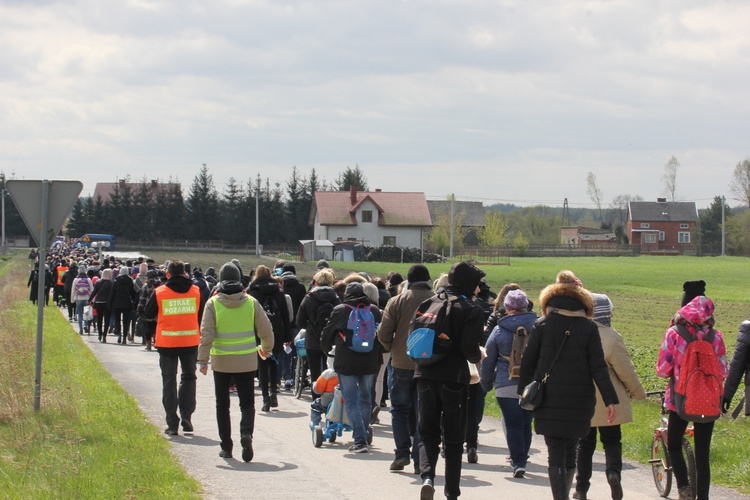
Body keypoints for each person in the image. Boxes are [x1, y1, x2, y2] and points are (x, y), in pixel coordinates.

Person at [518, 270, 618, 500]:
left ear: (549, 301)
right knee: (571, 451)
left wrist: (522, 392)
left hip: (548, 398)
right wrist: (611, 400)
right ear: (583, 302)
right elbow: (598, 368)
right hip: (580, 400)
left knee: (555, 454)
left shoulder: (542, 325)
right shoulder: (589, 328)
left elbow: (528, 363)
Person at [416, 262, 484, 500]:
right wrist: (480, 357)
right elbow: (468, 349)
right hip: (453, 379)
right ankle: (452, 492)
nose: (478, 289)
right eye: (476, 284)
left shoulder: (429, 303)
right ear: (467, 282)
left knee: (427, 433)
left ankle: (427, 478)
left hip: (424, 374)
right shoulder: (469, 309)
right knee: (454, 440)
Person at [198, 262, 274, 461]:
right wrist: (266, 349)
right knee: (247, 403)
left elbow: (206, 334)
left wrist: (202, 360)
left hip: (221, 361)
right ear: (240, 278)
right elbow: (266, 329)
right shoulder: (250, 302)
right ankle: (246, 433)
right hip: (247, 361)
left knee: (222, 405)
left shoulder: (213, 303)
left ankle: (226, 446)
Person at [574, 294, 646, 500]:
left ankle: (581, 489)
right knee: (612, 441)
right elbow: (626, 370)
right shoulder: (611, 337)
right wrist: (638, 393)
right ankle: (613, 473)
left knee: (585, 444)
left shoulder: (578, 334)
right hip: (609, 400)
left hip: (584, 399)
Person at [656, 295, 727, 500]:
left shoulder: (674, 334)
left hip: (679, 399)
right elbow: (722, 370)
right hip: (708, 401)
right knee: (703, 454)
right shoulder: (716, 337)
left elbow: (662, 369)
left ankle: (684, 489)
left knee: (675, 444)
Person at [377, 264, 434, 473]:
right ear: (428, 280)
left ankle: (401, 452)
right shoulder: (436, 301)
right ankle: (420, 459)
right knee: (422, 413)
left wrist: (391, 348)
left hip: (400, 362)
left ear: (408, 281)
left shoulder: (397, 301)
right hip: (428, 365)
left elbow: (383, 333)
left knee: (399, 409)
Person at [480, 289, 538, 478]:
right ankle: (523, 457)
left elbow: (487, 360)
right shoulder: (538, 326)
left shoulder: (499, 329)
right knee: (525, 423)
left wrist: (486, 383)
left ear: (507, 307)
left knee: (513, 423)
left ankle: (518, 461)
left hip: (506, 383)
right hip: (531, 384)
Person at [143, 259, 206, 435]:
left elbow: (147, 314)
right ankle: (186, 416)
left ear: (167, 274)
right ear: (185, 273)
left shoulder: (160, 292)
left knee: (169, 381)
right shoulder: (196, 291)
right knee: (188, 378)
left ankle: (172, 422)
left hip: (167, 343)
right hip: (190, 342)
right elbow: (202, 315)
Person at [320, 282, 382, 454]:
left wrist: (327, 350)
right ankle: (363, 433)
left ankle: (360, 439)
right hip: (369, 361)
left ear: (346, 293)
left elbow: (327, 334)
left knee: (351, 400)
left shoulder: (340, 310)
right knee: (365, 398)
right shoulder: (374, 311)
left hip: (346, 361)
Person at [247, 265, 291, 412]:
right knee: (274, 362)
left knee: (263, 364)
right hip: (277, 331)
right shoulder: (279, 292)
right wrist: (288, 336)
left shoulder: (252, 292)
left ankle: (265, 398)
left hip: (259, 332)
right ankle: (273, 393)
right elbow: (285, 315)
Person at [296, 269, 341, 397]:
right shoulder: (336, 299)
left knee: (315, 372)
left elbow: (299, 322)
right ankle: (329, 399)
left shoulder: (309, 298)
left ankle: (316, 400)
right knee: (330, 371)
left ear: (316, 282)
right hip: (331, 340)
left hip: (312, 340)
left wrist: (311, 326)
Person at [90, 268, 114, 342]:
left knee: (99, 319)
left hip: (98, 302)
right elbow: (112, 294)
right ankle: (104, 335)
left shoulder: (98, 282)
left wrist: (89, 299)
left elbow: (94, 292)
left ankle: (100, 334)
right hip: (107, 303)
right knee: (107, 320)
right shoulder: (111, 283)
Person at [71, 265, 94, 335]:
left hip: (78, 298)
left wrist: (72, 299)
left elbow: (73, 290)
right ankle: (86, 325)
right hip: (87, 298)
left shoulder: (76, 279)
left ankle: (81, 329)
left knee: (80, 314)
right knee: (86, 314)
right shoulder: (89, 279)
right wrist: (92, 299)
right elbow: (92, 290)